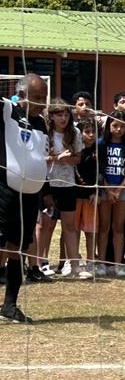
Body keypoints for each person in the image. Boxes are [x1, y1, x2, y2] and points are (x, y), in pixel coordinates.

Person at [0, 74, 49, 322]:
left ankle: (9, 306)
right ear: (21, 95)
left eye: (44, 97)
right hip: (6, 191)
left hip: (31, 196)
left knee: (17, 248)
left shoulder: (41, 123)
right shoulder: (7, 111)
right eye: (37, 97)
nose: (42, 103)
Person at [37, 100, 83, 278]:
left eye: (66, 115)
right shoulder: (44, 132)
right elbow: (39, 158)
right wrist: (57, 158)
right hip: (47, 182)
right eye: (59, 115)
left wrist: (66, 159)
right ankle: (41, 264)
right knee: (45, 224)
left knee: (69, 225)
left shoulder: (75, 132)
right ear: (51, 116)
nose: (63, 118)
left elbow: (78, 158)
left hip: (68, 183)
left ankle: (75, 266)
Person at [96, 111, 125, 277]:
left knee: (119, 227)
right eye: (115, 125)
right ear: (108, 126)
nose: (118, 129)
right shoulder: (101, 143)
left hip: (123, 189)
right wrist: (108, 190)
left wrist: (120, 189)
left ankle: (118, 264)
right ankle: (101, 264)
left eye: (122, 126)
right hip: (105, 189)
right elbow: (98, 169)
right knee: (104, 227)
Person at [74, 118, 99, 280]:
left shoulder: (98, 150)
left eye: (93, 132)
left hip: (92, 196)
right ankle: (73, 260)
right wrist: (87, 189)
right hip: (76, 194)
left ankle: (91, 260)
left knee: (91, 231)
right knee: (74, 229)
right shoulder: (76, 150)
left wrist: (95, 192)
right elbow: (76, 171)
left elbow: (100, 173)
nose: (91, 135)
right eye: (87, 132)